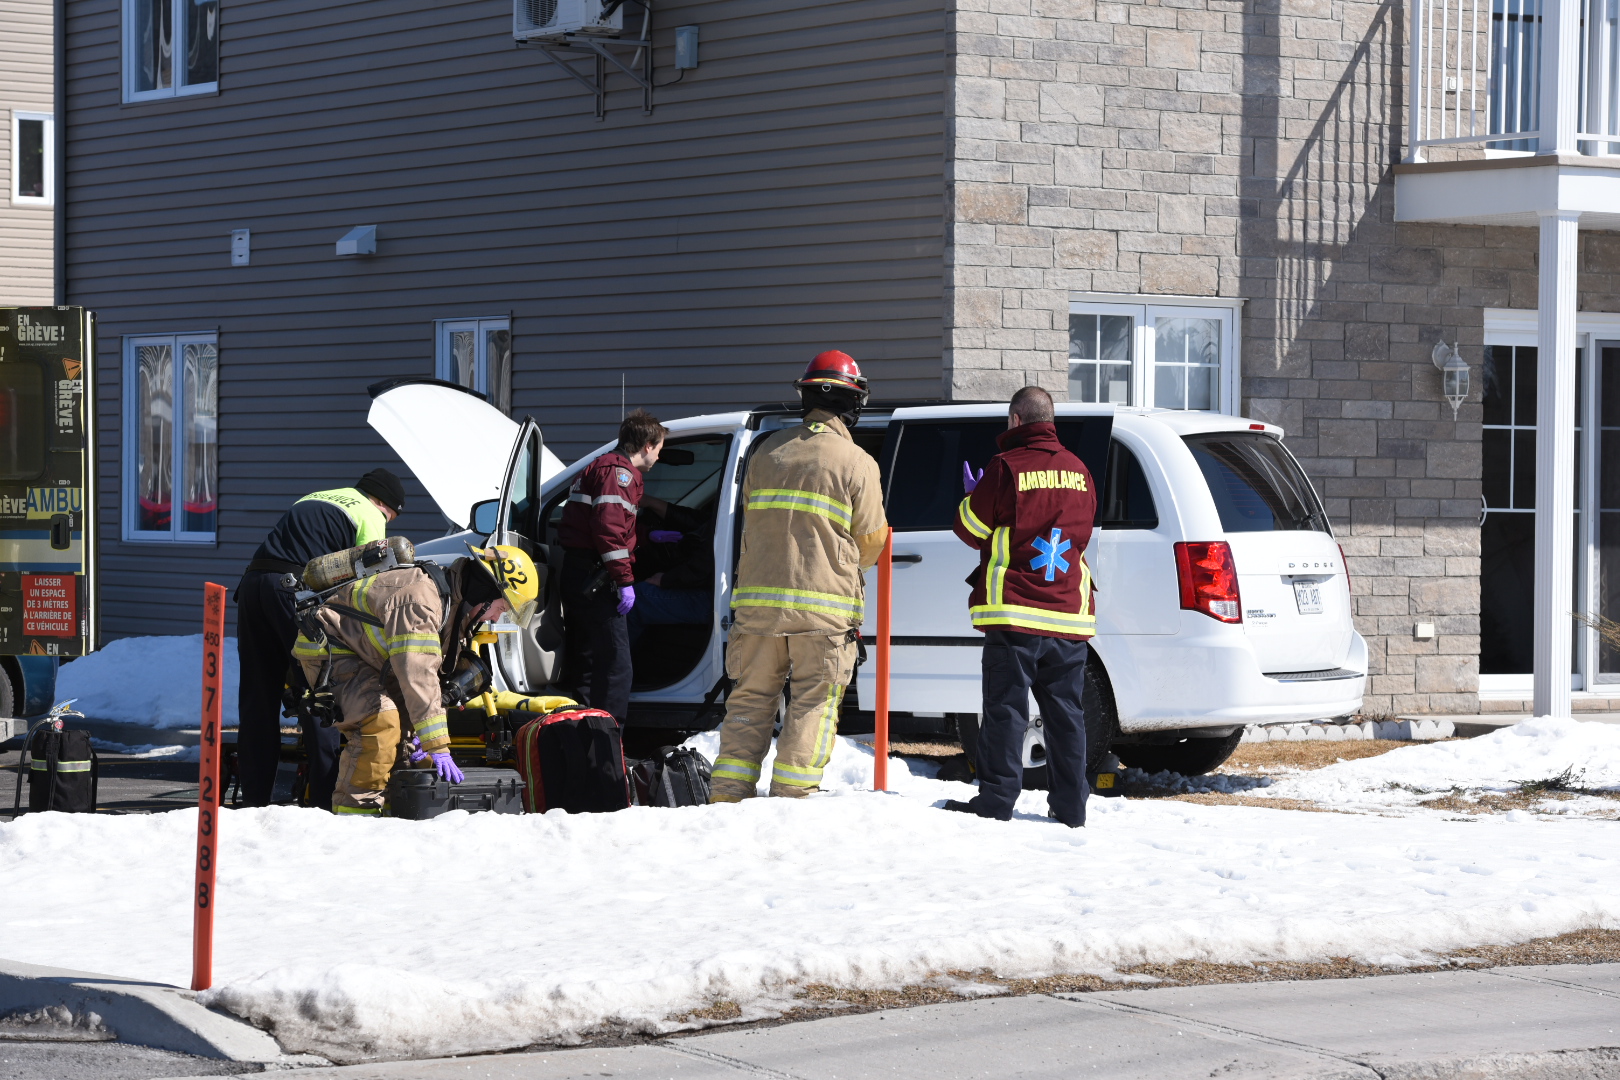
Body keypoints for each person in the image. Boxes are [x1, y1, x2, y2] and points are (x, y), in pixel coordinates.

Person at [709, 351, 888, 802]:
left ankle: (726, 796)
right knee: (813, 703)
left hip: (757, 611)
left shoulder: (765, 452)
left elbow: (751, 523)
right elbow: (871, 541)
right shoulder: (857, 462)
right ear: (853, 403)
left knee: (749, 701)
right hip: (823, 615)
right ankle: (790, 801)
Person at [291, 544, 540, 815]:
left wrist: (423, 734)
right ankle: (355, 820)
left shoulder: (452, 605)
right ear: (485, 591)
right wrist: (439, 746)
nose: (496, 618)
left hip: (374, 659)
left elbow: (432, 676)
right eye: (501, 608)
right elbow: (417, 674)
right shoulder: (420, 601)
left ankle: (392, 815)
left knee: (408, 742)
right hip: (333, 650)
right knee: (380, 723)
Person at [945, 386, 1097, 827]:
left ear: (1015, 420)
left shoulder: (1007, 466)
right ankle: (1071, 809)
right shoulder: (1080, 470)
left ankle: (995, 804)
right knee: (1067, 716)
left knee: (1005, 712)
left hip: (1016, 613)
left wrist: (971, 496)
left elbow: (970, 528)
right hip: (1069, 613)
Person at [235, 469, 406, 810]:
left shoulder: (317, 496)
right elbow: (371, 585)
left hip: (253, 586)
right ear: (384, 504)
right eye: (391, 516)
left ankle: (254, 802)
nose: (386, 521)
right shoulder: (370, 514)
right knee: (321, 696)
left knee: (258, 700)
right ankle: (325, 803)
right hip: (293, 593)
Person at [557, 410, 666, 727]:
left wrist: (648, 536)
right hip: (596, 577)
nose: (658, 457)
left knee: (590, 661)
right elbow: (608, 532)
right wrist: (624, 580)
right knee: (616, 665)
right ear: (646, 445)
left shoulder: (602, 467)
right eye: (659, 449)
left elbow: (611, 525)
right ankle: (608, 739)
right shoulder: (618, 473)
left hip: (583, 571)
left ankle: (587, 734)